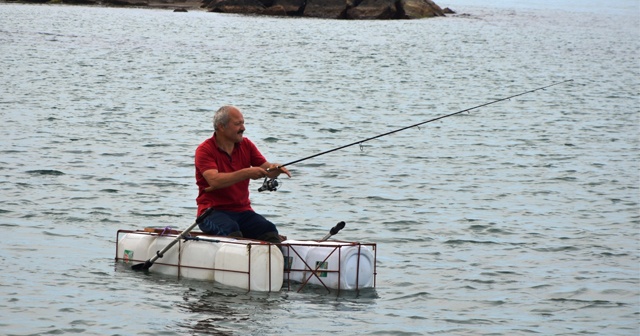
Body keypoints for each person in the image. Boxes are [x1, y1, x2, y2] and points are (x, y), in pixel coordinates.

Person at [194, 105, 291, 244]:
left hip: (242, 211)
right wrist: (247, 173)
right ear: (221, 127)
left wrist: (276, 169)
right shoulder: (205, 150)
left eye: (243, 123)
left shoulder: (246, 145)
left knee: (269, 230)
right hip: (211, 212)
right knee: (232, 231)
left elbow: (266, 169)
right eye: (237, 124)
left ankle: (275, 263)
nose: (243, 128)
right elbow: (214, 181)